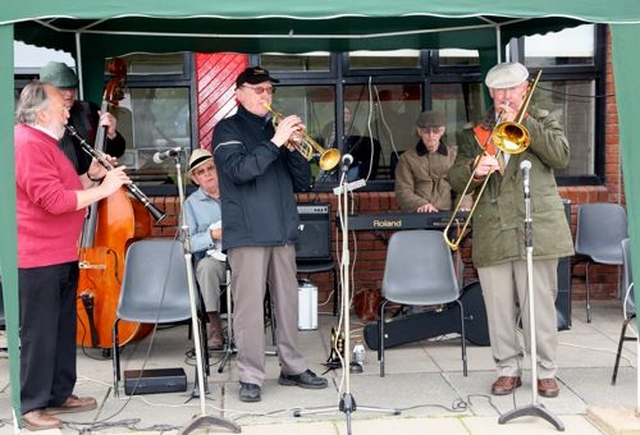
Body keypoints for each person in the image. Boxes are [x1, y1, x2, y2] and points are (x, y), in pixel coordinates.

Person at [448, 62, 574, 398]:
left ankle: (545, 371)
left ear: (525, 88)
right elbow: (455, 180)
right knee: (499, 307)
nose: (504, 97)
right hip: (493, 228)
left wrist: (525, 122)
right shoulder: (474, 133)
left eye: (511, 89)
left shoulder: (544, 119)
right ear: (490, 93)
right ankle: (507, 369)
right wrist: (475, 170)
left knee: (539, 307)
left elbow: (561, 156)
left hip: (538, 227)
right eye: (498, 91)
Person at [15, 81, 130, 430]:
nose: (69, 111)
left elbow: (66, 187)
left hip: (61, 251)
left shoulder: (45, 143)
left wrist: (91, 176)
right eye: (62, 107)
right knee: (39, 332)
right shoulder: (25, 144)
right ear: (41, 112)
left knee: (62, 329)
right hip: (37, 256)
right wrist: (106, 189)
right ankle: (32, 404)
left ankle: (59, 393)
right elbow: (53, 201)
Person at [212, 66, 328, 403]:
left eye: (269, 90)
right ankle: (250, 374)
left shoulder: (276, 133)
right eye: (258, 89)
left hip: (282, 230)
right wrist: (276, 141)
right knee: (248, 308)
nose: (266, 95)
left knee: (287, 305)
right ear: (239, 93)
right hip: (247, 233)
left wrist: (292, 147)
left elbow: (303, 182)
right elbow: (239, 171)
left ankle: (292, 366)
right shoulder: (227, 130)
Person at [39, 61, 126, 176]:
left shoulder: (89, 109)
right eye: (62, 89)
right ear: (46, 90)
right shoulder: (35, 119)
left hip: (96, 187)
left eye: (72, 88)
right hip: (60, 188)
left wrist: (112, 135)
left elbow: (117, 151)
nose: (69, 93)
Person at [183, 148, 227, 350]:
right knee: (206, 268)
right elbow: (187, 243)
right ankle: (215, 326)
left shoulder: (235, 193)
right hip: (213, 257)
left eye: (211, 168)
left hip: (240, 252)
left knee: (254, 265)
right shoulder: (191, 204)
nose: (208, 174)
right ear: (195, 178)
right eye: (201, 172)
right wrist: (212, 236)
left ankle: (244, 329)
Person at [394, 110, 472, 213]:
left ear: (442, 131)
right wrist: (421, 204)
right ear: (419, 132)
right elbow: (403, 192)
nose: (431, 135)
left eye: (436, 131)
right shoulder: (407, 159)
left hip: (448, 215)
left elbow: (464, 188)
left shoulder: (454, 156)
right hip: (418, 214)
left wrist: (462, 206)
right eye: (426, 131)